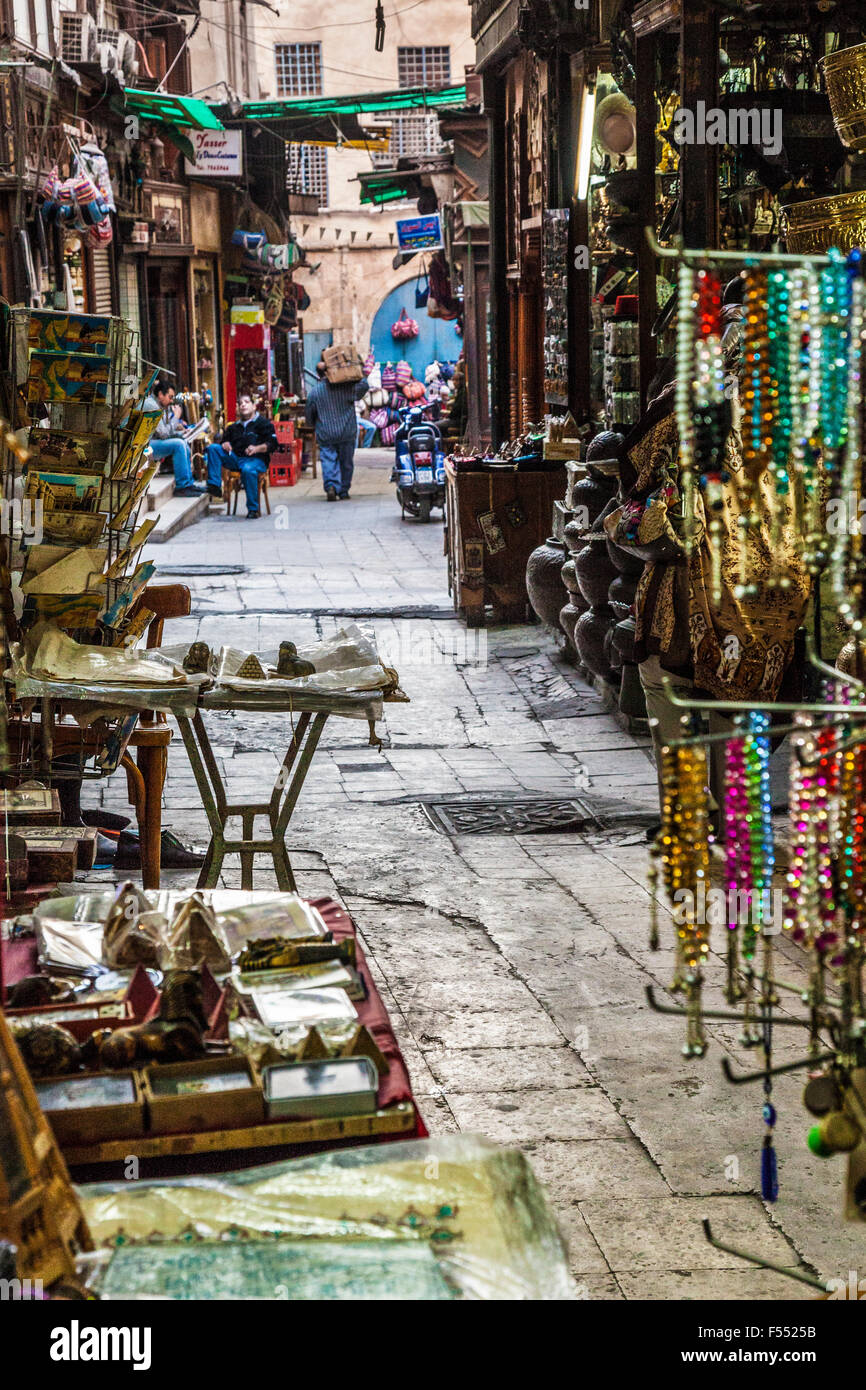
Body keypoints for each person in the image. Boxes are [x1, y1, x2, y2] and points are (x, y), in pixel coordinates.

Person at [204, 392, 277, 518]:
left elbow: (273, 444)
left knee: (248, 469)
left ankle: (253, 509)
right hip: (236, 459)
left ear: (254, 406)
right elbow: (224, 441)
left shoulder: (263, 424)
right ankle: (214, 485)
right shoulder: (233, 427)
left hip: (256, 460)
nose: (243, 405)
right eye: (240, 403)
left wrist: (257, 448)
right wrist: (225, 443)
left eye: (246, 402)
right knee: (213, 448)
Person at [305, 358, 369, 501]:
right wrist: (356, 372)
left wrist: (313, 425)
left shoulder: (314, 393)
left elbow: (309, 415)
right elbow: (364, 386)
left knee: (328, 460)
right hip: (347, 432)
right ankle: (344, 490)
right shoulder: (346, 388)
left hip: (326, 433)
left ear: (318, 374)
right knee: (346, 462)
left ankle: (332, 486)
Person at [143, 376, 204, 497]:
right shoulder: (151, 406)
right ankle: (182, 486)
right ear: (160, 394)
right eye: (170, 397)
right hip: (144, 446)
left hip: (153, 442)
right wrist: (176, 417)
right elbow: (164, 434)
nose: (171, 401)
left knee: (183, 440)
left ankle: (188, 483)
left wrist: (181, 430)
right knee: (178, 444)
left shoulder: (160, 405)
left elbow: (165, 430)